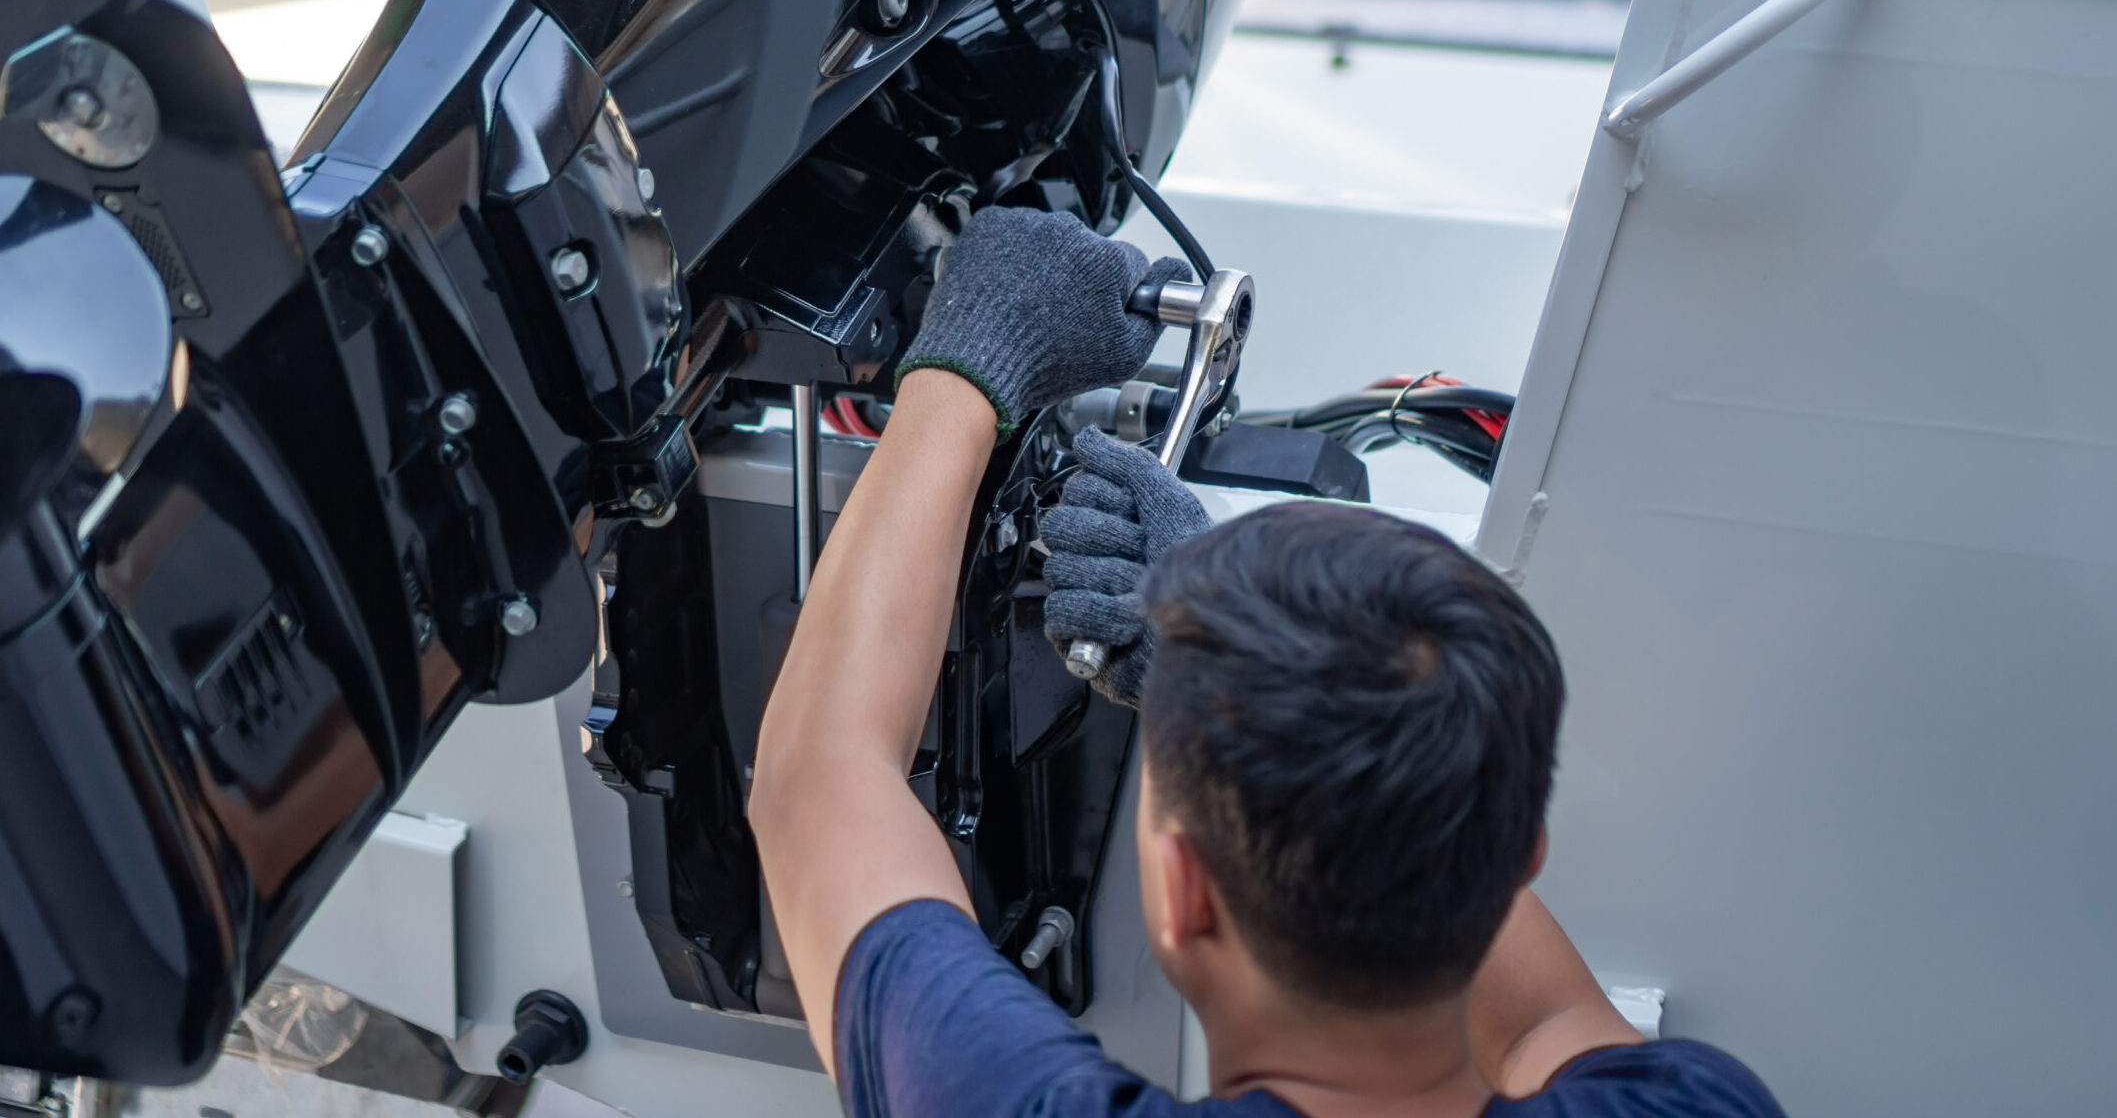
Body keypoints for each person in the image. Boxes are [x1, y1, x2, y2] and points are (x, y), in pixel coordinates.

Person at [749, 206, 1785, 1117]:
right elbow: (1544, 1021)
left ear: (1181, 887)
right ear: (1523, 856)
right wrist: (1247, 681)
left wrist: (971, 360)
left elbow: (818, 778)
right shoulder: (1700, 1100)